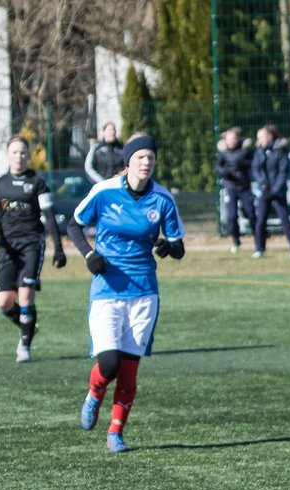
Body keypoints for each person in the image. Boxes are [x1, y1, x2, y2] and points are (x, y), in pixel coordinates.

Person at [65, 133, 186, 453]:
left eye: (151, 157)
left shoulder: (162, 199)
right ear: (128, 160)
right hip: (107, 289)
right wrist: (89, 255)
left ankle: (116, 432)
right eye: (140, 157)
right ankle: (94, 393)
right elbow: (73, 225)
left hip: (144, 292)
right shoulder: (104, 192)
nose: (146, 162)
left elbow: (179, 248)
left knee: (129, 372)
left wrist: (167, 246)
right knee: (109, 364)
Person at [0, 135, 67, 362]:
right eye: (14, 152)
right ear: (8, 155)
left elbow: (48, 215)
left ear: (28, 156)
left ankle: (24, 346)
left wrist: (58, 247)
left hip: (31, 246)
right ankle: (28, 326)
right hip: (7, 248)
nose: (19, 156)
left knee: (26, 296)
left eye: (23, 152)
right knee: (4, 302)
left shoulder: (37, 183)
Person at [250, 124, 290, 258]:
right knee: (260, 221)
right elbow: (255, 169)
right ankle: (259, 249)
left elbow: (283, 172)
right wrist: (263, 184)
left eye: (261, 137)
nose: (259, 140)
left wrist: (276, 189)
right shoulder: (259, 151)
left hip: (278, 192)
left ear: (270, 137)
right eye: (258, 138)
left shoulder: (280, 151)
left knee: (284, 220)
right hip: (264, 191)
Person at [215, 126, 255, 253]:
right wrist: (226, 172)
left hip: (244, 187)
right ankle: (236, 241)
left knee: (251, 213)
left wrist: (243, 164)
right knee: (231, 216)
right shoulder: (223, 153)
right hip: (230, 187)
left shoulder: (245, 151)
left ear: (239, 139)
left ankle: (258, 238)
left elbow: (253, 163)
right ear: (225, 140)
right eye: (230, 138)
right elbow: (217, 167)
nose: (232, 141)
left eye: (234, 138)